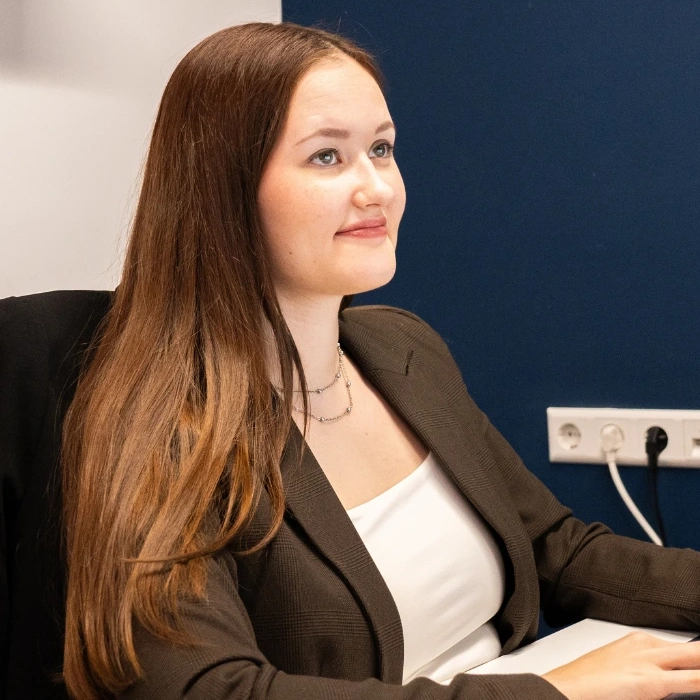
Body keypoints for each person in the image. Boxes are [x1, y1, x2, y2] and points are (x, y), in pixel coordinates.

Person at [1, 21, 700, 700]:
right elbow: (210, 687)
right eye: (327, 157)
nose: (378, 189)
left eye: (382, 149)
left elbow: (559, 548)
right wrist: (548, 692)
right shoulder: (161, 423)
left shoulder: (403, 348)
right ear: (223, 190)